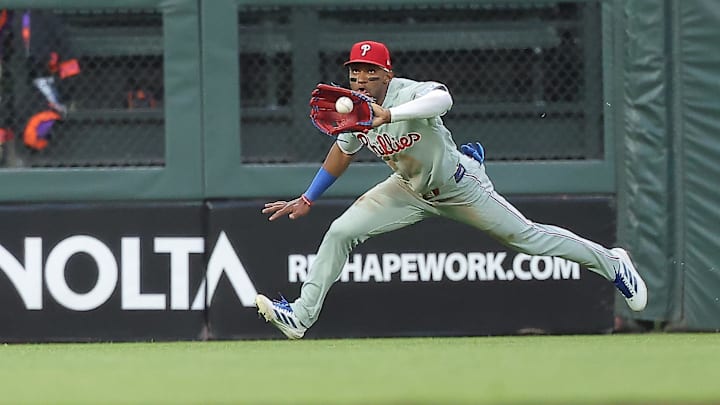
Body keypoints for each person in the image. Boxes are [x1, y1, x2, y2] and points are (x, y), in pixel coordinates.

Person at [256, 40, 647, 339]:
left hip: (459, 187)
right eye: (355, 72)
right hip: (407, 190)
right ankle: (300, 316)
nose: (360, 80)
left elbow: (443, 98)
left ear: (387, 75)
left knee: (528, 238)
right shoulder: (355, 110)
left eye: (370, 72)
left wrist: (389, 114)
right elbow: (342, 153)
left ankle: (613, 263)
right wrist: (309, 197)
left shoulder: (406, 93)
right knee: (341, 231)